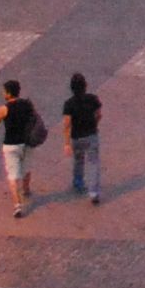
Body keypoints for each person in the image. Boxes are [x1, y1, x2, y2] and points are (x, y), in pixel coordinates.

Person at [0, 79, 44, 214]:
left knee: (12, 176)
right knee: (26, 168)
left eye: (4, 91)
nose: (3, 94)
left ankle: (17, 206)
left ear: (8, 93)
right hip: (27, 142)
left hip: (11, 145)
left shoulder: (4, 109)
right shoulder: (27, 105)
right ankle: (26, 189)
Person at [59, 73, 102, 205]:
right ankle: (94, 192)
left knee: (78, 160)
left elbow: (67, 124)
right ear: (85, 86)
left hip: (76, 137)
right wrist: (95, 124)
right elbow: (99, 115)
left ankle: (78, 182)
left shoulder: (69, 104)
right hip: (91, 135)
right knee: (93, 163)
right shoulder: (93, 99)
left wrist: (66, 143)